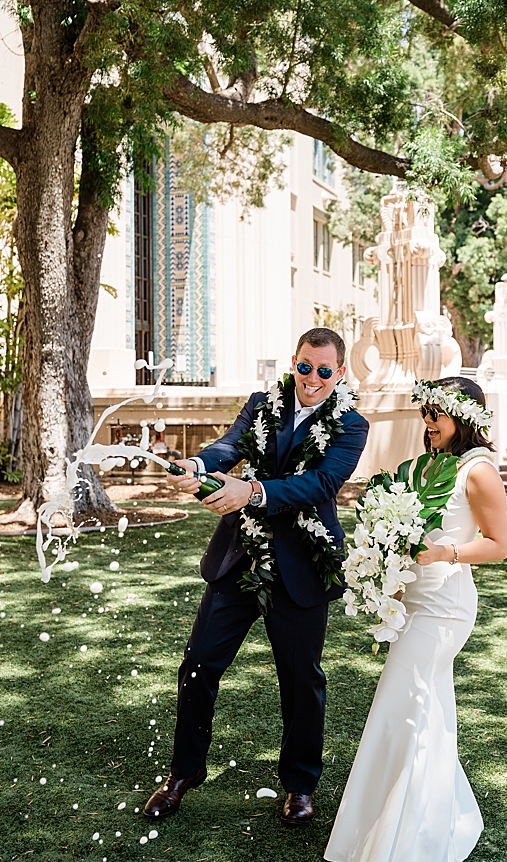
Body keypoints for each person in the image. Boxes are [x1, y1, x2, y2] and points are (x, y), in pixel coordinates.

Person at [143, 327, 369, 827]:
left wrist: (253, 492)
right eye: (305, 367)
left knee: (301, 680)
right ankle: (182, 775)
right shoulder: (262, 403)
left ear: (340, 372)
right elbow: (230, 446)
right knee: (199, 663)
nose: (312, 379)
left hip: (302, 567)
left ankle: (300, 786)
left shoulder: (353, 425)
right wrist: (198, 463)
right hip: (238, 557)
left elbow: (323, 482)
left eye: (324, 371)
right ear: (294, 362)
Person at [324, 377, 507, 862]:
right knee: (418, 708)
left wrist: (443, 553)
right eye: (425, 413)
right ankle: (424, 821)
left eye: (437, 415)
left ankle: (412, 844)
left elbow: (499, 545)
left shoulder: (479, 472)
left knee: (408, 705)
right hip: (413, 600)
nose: (428, 423)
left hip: (446, 605)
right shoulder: (425, 465)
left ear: (464, 417)